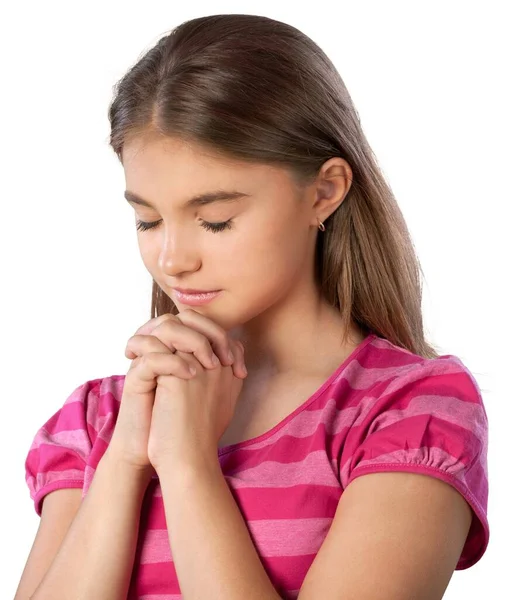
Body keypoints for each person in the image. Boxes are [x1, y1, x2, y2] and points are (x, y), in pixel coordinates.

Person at [15, 13, 489, 600]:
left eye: (215, 220)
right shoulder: (96, 421)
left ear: (324, 191)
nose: (172, 258)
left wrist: (188, 465)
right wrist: (124, 463)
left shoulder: (407, 413)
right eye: (148, 219)